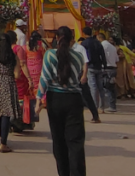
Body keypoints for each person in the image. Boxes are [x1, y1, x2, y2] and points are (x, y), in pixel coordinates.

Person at [38, 26, 87, 176]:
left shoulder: (50, 55)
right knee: (75, 142)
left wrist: (39, 98)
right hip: (74, 100)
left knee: (59, 141)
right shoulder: (79, 57)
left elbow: (44, 78)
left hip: (55, 100)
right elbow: (78, 76)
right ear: (72, 39)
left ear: (57, 39)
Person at [0, 32, 22, 153]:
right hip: (8, 83)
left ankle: (2, 140)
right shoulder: (13, 57)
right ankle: (3, 143)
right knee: (7, 114)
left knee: (3, 113)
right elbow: (17, 75)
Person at [71, 34, 100, 124]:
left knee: (86, 96)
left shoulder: (80, 48)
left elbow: (85, 62)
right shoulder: (67, 49)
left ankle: (95, 116)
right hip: (71, 75)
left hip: (79, 74)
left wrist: (84, 75)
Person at [10, 31, 34, 131]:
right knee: (21, 100)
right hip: (19, 78)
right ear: (16, 39)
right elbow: (23, 64)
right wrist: (29, 79)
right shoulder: (18, 49)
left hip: (8, 77)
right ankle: (20, 121)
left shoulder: (4, 49)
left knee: (11, 99)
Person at [79, 27, 106, 114]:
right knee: (100, 87)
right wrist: (104, 65)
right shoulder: (98, 42)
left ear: (83, 33)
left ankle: (95, 107)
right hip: (99, 66)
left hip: (89, 67)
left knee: (93, 88)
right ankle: (102, 107)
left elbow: (82, 57)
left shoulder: (84, 43)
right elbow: (103, 55)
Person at [25, 31, 47, 127]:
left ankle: (34, 103)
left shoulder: (26, 46)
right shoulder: (40, 46)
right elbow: (45, 55)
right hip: (38, 69)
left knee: (31, 88)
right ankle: (41, 102)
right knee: (40, 87)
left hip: (29, 68)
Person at [96, 33, 118, 113]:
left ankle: (103, 106)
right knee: (111, 88)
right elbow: (116, 59)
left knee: (105, 88)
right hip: (113, 68)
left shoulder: (102, 46)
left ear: (99, 38)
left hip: (106, 68)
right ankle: (112, 106)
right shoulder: (112, 47)